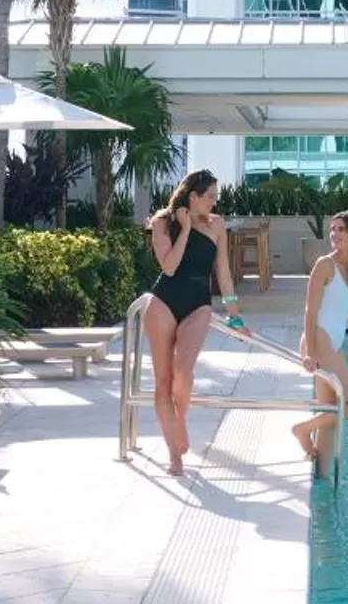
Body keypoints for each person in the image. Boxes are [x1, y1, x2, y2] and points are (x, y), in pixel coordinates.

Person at [142, 168, 242, 472]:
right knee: (162, 380)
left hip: (198, 305)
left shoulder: (217, 225)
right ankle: (174, 453)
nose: (213, 202)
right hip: (163, 303)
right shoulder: (162, 223)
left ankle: (180, 419)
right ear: (193, 196)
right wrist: (184, 229)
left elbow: (222, 272)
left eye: (215, 196)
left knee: (182, 371)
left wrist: (235, 315)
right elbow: (169, 268)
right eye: (209, 196)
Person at [291, 210, 348, 476]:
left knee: (331, 414)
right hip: (319, 340)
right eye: (332, 229)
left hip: (334, 344)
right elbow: (310, 312)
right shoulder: (324, 265)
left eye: (341, 229)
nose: (334, 234)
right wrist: (311, 353)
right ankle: (303, 429)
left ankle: (322, 475)